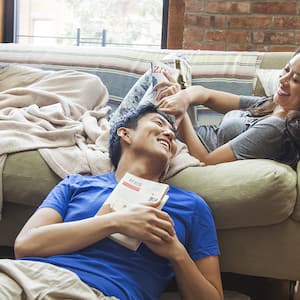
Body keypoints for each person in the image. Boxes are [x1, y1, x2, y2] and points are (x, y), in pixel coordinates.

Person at [0, 104, 223, 300]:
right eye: (159, 123)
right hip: (26, 276)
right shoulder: (76, 184)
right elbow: (25, 246)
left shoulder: (191, 205)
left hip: (100, 293)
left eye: (172, 134)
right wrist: (115, 221)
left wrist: (177, 253)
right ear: (125, 134)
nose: (169, 134)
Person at [156, 50, 300, 168]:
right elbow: (207, 95)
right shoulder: (275, 105)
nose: (282, 80)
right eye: (286, 69)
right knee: (160, 80)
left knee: (142, 116)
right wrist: (183, 97)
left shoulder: (276, 128)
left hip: (177, 146)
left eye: (296, 79)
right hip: (174, 134)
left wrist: (181, 114)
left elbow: (206, 161)